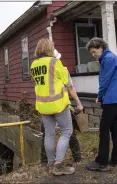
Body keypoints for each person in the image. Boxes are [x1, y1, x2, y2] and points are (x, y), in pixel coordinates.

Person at [31, 38, 83, 176]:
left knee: (49, 134)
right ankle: (58, 165)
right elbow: (69, 85)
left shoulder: (33, 65)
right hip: (59, 104)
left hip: (43, 105)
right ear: (50, 48)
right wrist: (78, 102)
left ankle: (50, 162)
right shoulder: (55, 62)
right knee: (66, 131)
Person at [85, 37, 117, 172]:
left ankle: (101, 162)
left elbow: (104, 80)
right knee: (114, 128)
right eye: (91, 53)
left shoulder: (108, 59)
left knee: (104, 129)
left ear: (100, 48)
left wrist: (99, 96)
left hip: (113, 99)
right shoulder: (109, 57)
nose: (93, 55)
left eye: (94, 52)